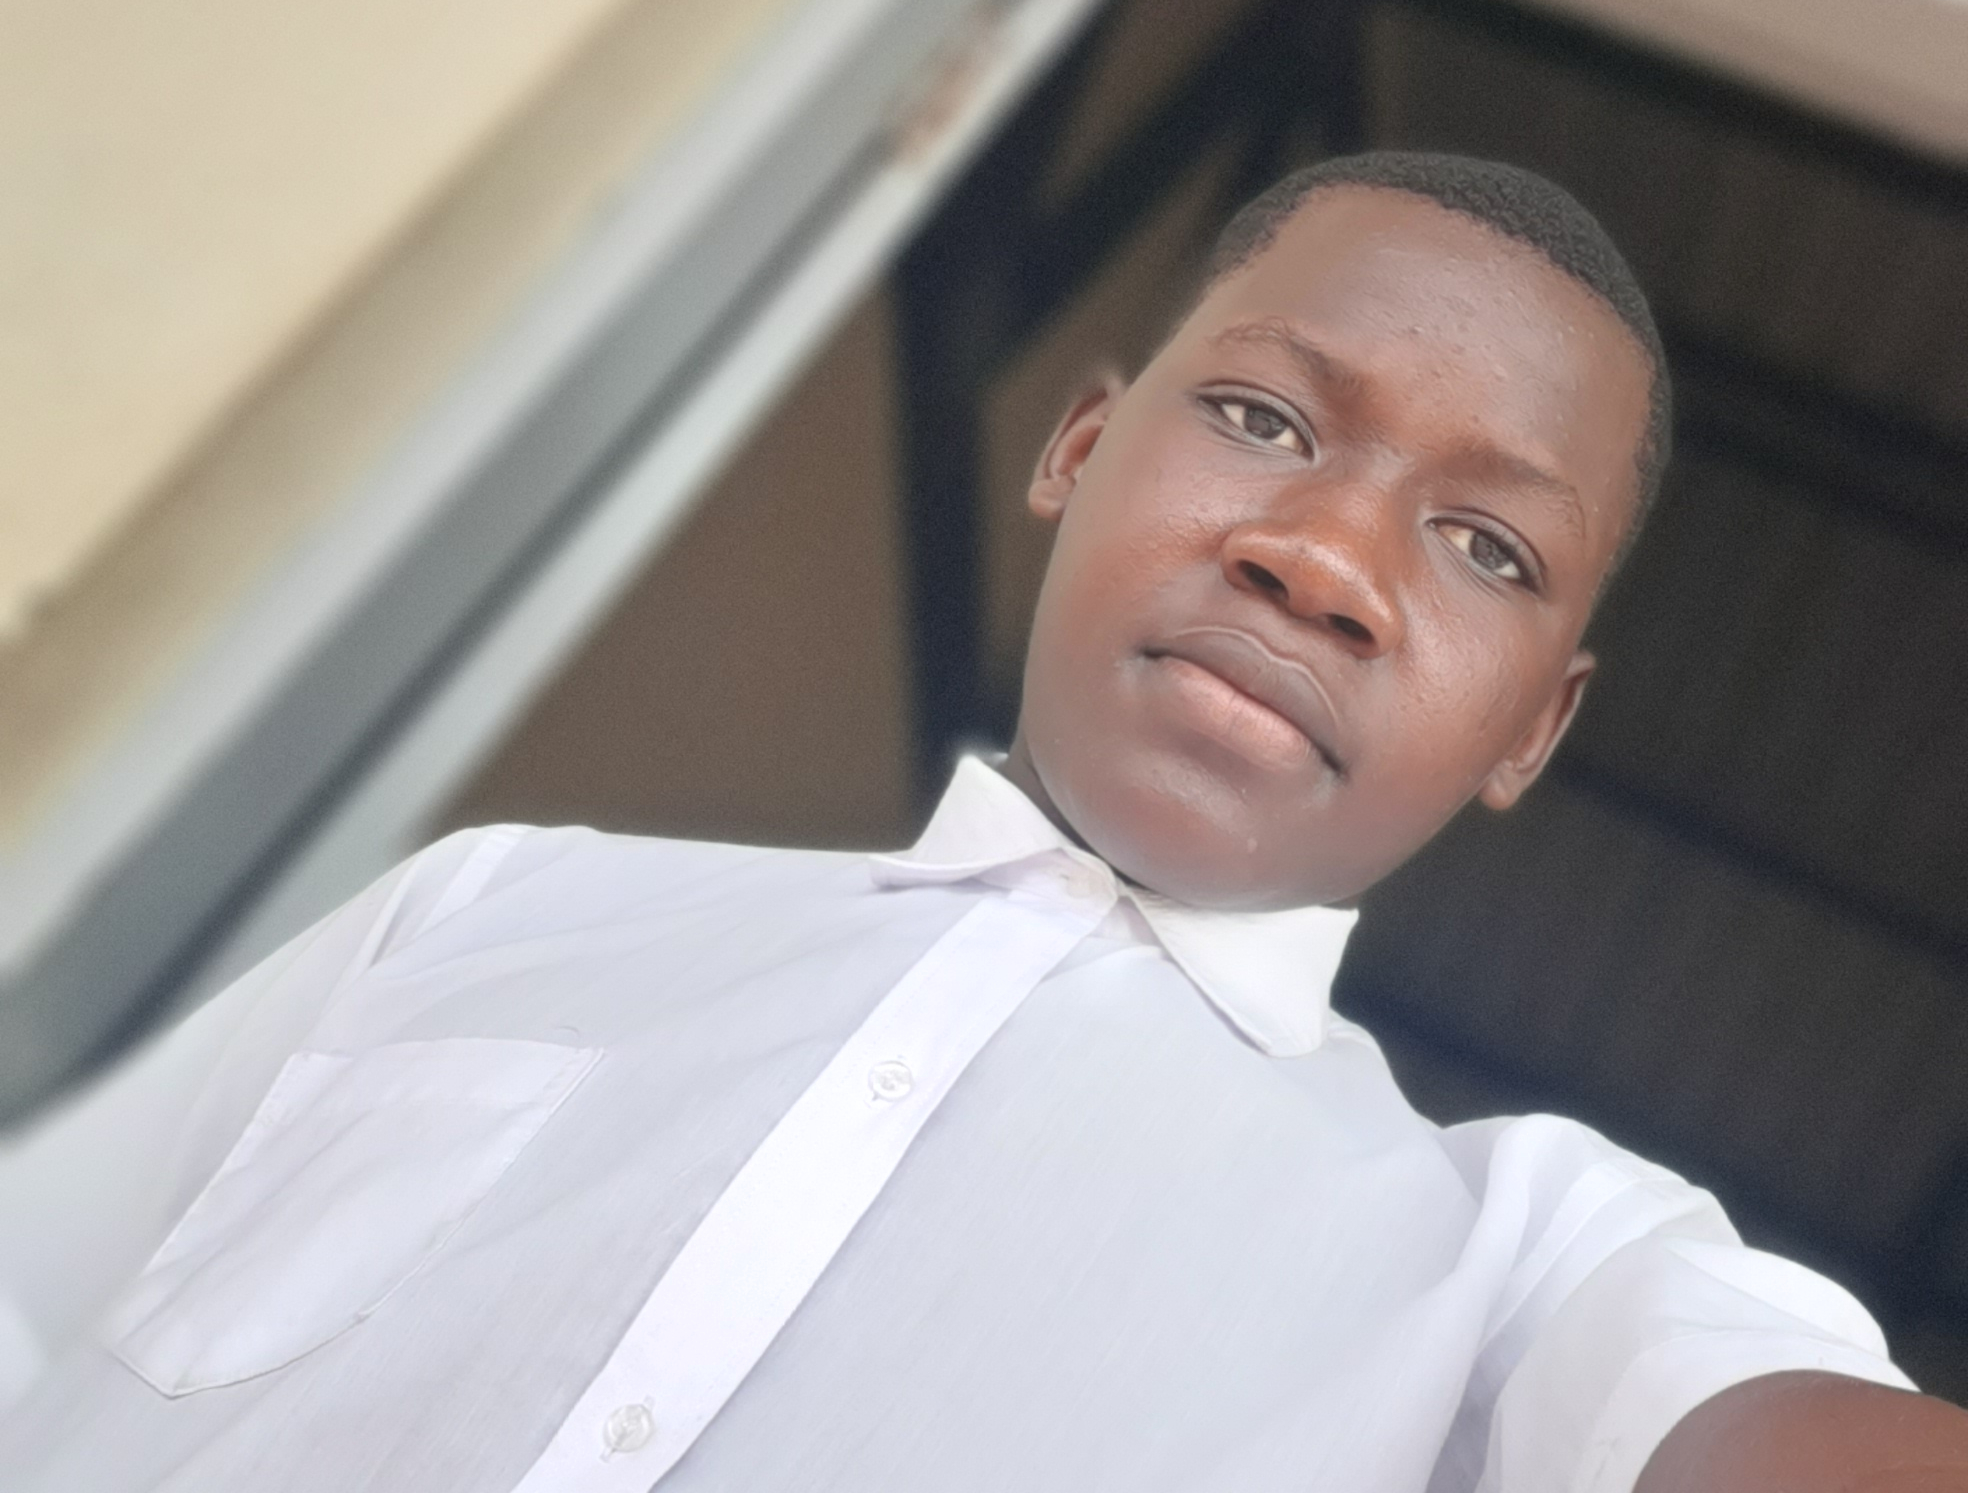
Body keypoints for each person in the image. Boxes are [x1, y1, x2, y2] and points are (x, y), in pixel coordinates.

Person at [1, 152, 1962, 1493]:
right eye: (1264, 421)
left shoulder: (1524, 1268)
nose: (1324, 560)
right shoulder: (492, 908)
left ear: (1532, 728)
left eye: (1486, 546)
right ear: (1080, 447)